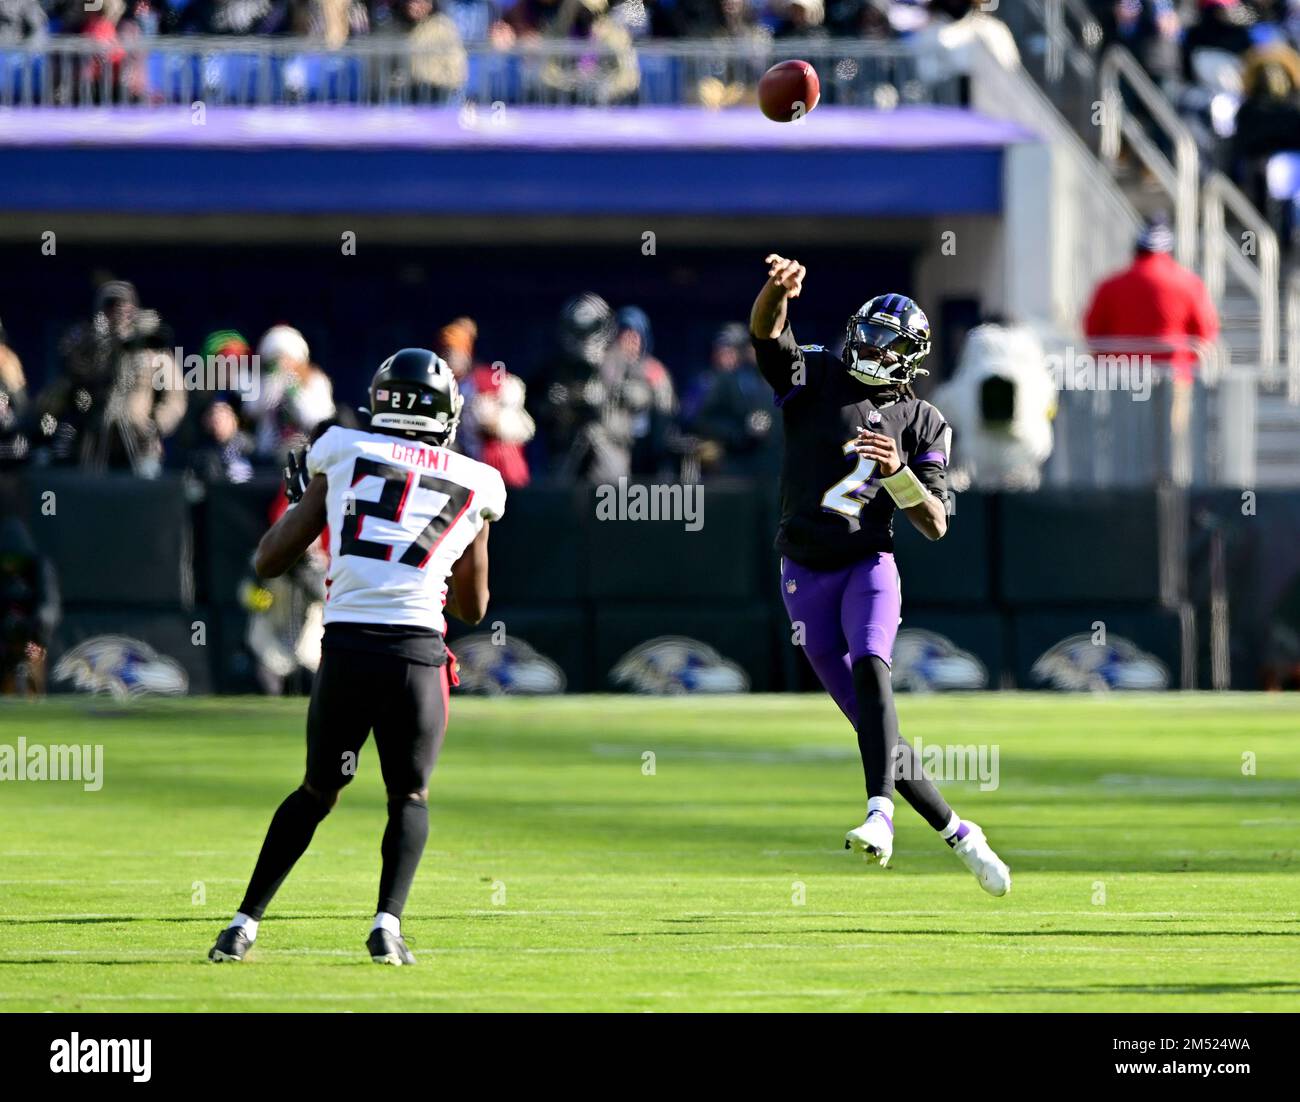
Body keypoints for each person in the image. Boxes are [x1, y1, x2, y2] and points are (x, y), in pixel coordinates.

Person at [209, 348, 505, 966]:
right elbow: (474, 610)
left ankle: (242, 925)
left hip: (345, 652)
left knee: (318, 789)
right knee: (410, 798)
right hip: (416, 660)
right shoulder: (478, 480)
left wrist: (304, 502)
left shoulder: (342, 449)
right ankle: (386, 926)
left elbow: (268, 561)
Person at [749, 254, 1011, 895]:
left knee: (873, 666)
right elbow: (766, 332)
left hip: (868, 563)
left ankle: (880, 814)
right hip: (803, 571)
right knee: (873, 721)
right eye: (863, 331)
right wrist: (774, 290)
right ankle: (961, 834)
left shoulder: (924, 420)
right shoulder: (815, 374)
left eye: (882, 339)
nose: (865, 344)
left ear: (909, 356)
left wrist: (896, 472)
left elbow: (936, 522)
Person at [682, 321, 780, 479]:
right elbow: (694, 420)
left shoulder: (762, 382)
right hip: (723, 466)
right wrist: (739, 432)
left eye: (733, 350)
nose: (727, 355)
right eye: (723, 349)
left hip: (761, 467)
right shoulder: (708, 381)